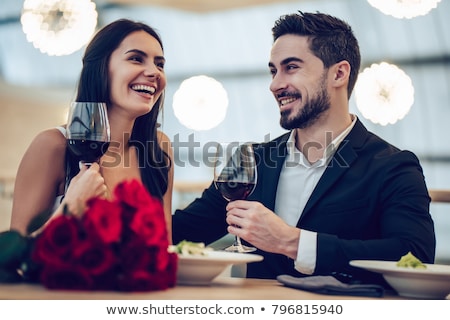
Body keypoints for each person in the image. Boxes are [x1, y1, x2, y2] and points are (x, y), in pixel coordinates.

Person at [172, 11, 436, 286]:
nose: (275, 84)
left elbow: (414, 256)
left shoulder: (392, 166)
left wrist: (294, 243)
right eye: (274, 71)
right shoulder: (252, 161)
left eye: (291, 67)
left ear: (339, 73)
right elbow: (182, 230)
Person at [10, 19, 173, 241]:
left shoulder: (160, 148)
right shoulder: (53, 145)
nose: (154, 72)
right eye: (136, 58)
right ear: (101, 68)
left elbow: (164, 250)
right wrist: (69, 209)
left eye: (160, 64)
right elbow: (13, 263)